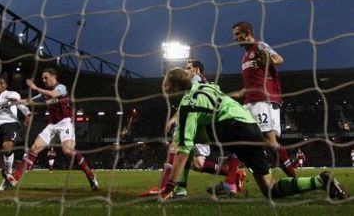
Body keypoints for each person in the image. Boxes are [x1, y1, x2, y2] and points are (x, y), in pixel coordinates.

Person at [159, 67, 349, 201]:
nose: (164, 89)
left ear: (174, 87)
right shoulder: (208, 86)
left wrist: (168, 186)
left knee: (182, 140)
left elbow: (183, 152)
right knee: (270, 189)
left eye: (166, 85)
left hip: (232, 128)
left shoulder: (187, 105)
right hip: (250, 126)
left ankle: (177, 188)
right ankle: (320, 180)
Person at [141, 60, 245, 198]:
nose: (185, 71)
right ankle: (234, 174)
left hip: (199, 123)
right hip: (197, 121)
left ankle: (168, 186)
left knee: (177, 147)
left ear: (197, 70)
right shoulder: (194, 84)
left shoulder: (197, 80)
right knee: (198, 164)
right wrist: (174, 118)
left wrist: (174, 119)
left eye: (188, 68)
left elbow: (193, 101)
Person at [6, 68, 98, 190]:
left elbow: (54, 95)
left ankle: (90, 176)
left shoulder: (61, 88)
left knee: (68, 152)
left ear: (53, 77)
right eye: (42, 78)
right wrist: (16, 102)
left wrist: (36, 88)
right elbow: (29, 101)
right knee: (34, 148)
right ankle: (15, 178)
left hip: (65, 123)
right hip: (52, 125)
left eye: (46, 78)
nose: (44, 80)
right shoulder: (44, 93)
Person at [231, 21, 296, 177]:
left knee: (269, 141)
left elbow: (279, 59)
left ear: (247, 33)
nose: (235, 38)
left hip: (262, 99)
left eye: (238, 34)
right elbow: (252, 82)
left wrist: (269, 61)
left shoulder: (260, 46)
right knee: (239, 137)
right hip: (250, 100)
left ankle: (292, 178)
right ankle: (232, 181)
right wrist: (238, 94)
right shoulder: (245, 56)